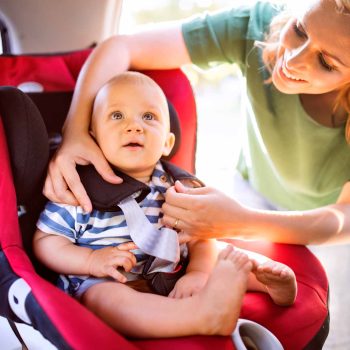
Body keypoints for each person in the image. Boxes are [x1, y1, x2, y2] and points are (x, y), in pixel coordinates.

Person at [43, 0, 350, 246]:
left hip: (315, 216)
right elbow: (121, 47)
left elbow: (343, 217)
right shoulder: (258, 24)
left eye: (325, 62)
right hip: (250, 183)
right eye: (300, 29)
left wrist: (240, 222)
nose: (293, 60)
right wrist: (75, 132)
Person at [33, 72, 297, 338]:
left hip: (174, 271)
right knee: (105, 301)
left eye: (148, 117)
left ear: (167, 143)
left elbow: (201, 238)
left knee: (221, 253)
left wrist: (197, 273)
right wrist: (91, 260)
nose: (134, 126)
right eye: (117, 116)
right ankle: (202, 316)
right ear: (92, 137)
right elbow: (46, 242)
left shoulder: (180, 187)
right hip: (106, 281)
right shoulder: (78, 188)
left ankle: (268, 281)